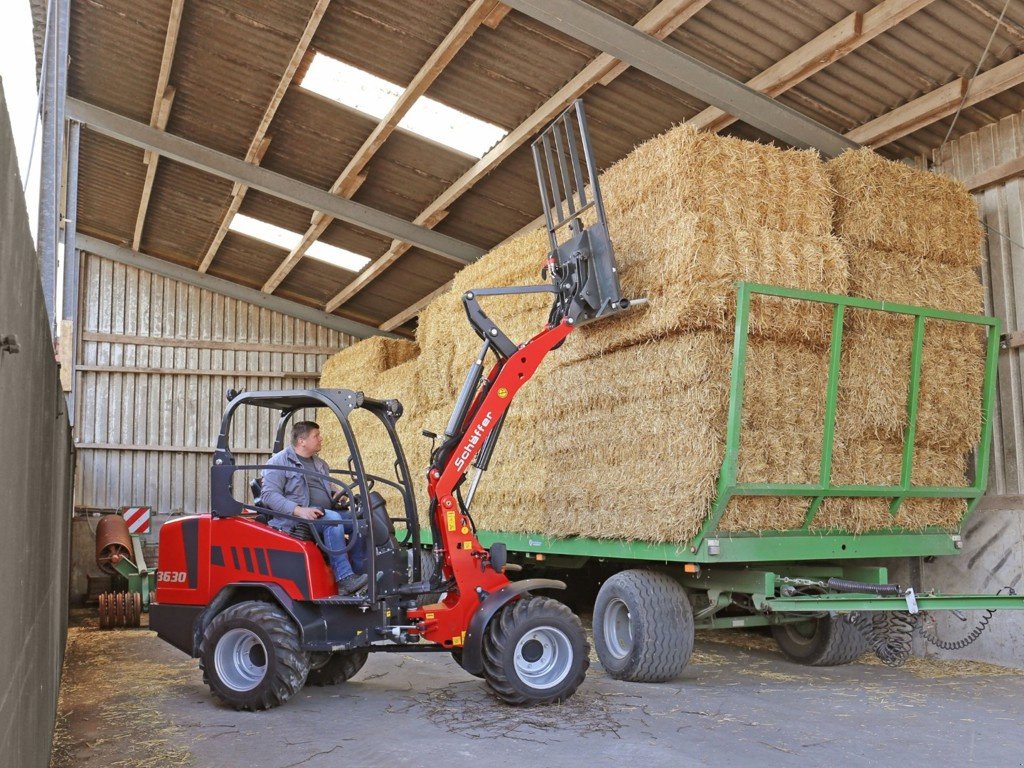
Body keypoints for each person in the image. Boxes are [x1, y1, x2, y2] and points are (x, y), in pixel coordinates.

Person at [261, 421, 368, 595]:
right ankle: (345, 579)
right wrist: (299, 510)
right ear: (302, 441)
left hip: (322, 513)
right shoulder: (278, 462)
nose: (321, 439)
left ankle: (360, 575)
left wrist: (338, 494)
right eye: (316, 436)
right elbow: (269, 495)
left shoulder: (320, 464)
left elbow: (327, 488)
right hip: (296, 519)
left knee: (360, 522)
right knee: (333, 520)